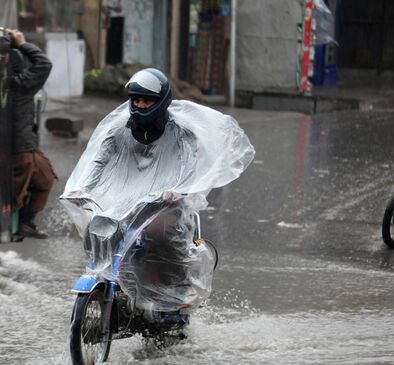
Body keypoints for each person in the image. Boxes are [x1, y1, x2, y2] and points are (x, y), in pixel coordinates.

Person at [61, 68, 255, 311]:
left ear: (161, 100)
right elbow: (98, 162)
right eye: (136, 99)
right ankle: (107, 278)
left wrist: (177, 190)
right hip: (123, 202)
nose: (141, 104)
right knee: (96, 227)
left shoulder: (181, 132)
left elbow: (188, 165)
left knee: (159, 232)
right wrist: (82, 188)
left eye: (147, 99)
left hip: (164, 203)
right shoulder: (118, 131)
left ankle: (177, 286)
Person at [5, 28, 56, 239]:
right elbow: (45, 64)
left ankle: (27, 222)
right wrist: (23, 43)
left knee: (45, 178)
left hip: (26, 145)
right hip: (20, 147)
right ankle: (15, 223)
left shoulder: (2, 84)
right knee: (18, 189)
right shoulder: (20, 85)